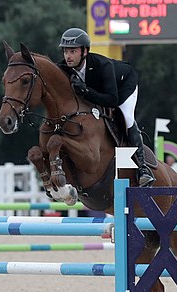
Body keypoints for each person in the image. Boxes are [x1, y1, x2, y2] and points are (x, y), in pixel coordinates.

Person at [58, 27, 155, 187]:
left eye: (73, 51)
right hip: (100, 92)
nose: (68, 56)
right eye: (66, 52)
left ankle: (143, 169)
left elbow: (112, 100)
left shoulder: (103, 66)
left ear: (84, 51)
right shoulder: (65, 68)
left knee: (126, 118)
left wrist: (86, 91)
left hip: (123, 87)